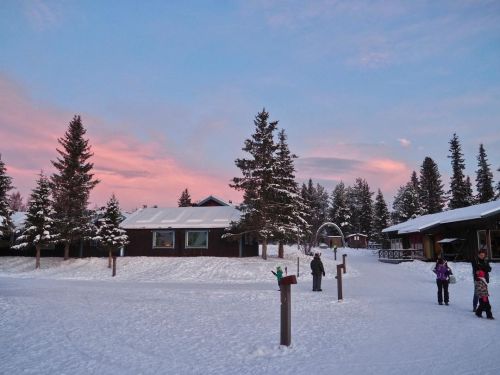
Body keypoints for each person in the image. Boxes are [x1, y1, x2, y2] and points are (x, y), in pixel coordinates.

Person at [472, 247, 492, 312]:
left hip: (485, 279)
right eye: (481, 255)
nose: (482, 256)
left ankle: (482, 306)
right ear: (478, 255)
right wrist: (483, 268)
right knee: (477, 293)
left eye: (483, 255)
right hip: (477, 280)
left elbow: (489, 269)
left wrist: (483, 268)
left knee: (484, 294)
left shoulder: (486, 261)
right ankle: (475, 306)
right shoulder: (475, 261)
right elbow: (476, 269)